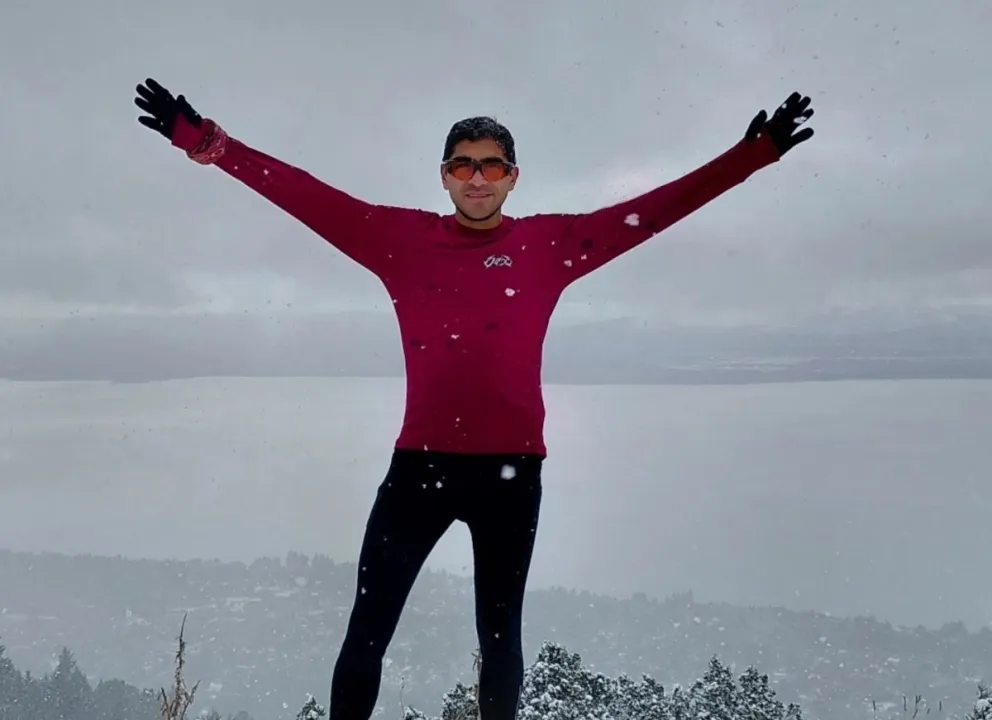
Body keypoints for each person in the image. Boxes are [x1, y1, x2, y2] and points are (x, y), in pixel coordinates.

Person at [134, 78, 814, 720]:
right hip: (419, 469)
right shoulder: (401, 241)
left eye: (492, 165)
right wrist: (208, 145)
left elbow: (651, 213)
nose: (478, 178)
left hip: (510, 474)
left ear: (514, 176)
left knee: (500, 635)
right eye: (463, 165)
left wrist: (750, 157)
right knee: (368, 630)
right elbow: (309, 197)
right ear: (444, 175)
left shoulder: (549, 245)